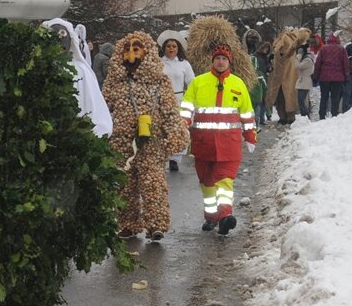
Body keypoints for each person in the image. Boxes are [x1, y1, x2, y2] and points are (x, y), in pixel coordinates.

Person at [101, 31, 189, 241]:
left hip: (152, 141)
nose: (131, 54)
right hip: (121, 142)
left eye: (136, 49)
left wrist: (176, 133)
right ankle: (128, 224)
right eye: (127, 50)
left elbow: (169, 109)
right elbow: (104, 108)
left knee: (154, 183)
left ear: (146, 52)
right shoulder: (114, 83)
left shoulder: (159, 82)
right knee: (124, 184)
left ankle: (156, 224)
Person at [180, 44, 257, 235]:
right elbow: (186, 107)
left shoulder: (238, 84)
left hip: (229, 146)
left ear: (229, 62)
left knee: (224, 181)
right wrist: (182, 124)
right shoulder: (198, 83)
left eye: (224, 59)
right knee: (207, 183)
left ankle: (225, 216)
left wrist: (250, 136)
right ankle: (211, 217)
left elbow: (246, 113)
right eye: (217, 59)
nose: (220, 62)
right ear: (212, 61)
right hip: (203, 144)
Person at [42, 18, 113, 137]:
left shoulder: (81, 70)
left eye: (62, 48)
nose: (58, 52)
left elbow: (93, 105)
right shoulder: (42, 68)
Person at [157, 30, 194, 171]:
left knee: (179, 130)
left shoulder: (184, 64)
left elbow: (191, 82)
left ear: (178, 48)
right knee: (162, 129)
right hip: (162, 100)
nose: (171, 49)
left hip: (179, 100)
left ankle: (175, 158)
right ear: (163, 48)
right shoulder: (159, 63)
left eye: (174, 46)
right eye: (168, 46)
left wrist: (190, 100)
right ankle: (161, 156)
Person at [265, 28, 311, 125]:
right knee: (284, 97)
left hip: (285, 77)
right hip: (284, 77)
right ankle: (286, 117)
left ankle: (287, 117)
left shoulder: (290, 45)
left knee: (286, 98)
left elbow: (285, 53)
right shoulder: (291, 45)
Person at [313, 34, 349, 120]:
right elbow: (346, 64)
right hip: (338, 78)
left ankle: (322, 115)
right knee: (335, 97)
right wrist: (346, 77)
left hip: (324, 78)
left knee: (324, 97)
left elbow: (318, 63)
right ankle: (334, 115)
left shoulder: (323, 48)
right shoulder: (342, 49)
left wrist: (315, 76)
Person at [296, 41, 315, 119]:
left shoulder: (307, 59)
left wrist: (298, 55)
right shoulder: (307, 58)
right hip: (302, 82)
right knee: (301, 101)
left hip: (304, 82)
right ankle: (304, 116)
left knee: (302, 101)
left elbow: (297, 66)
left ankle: (306, 116)